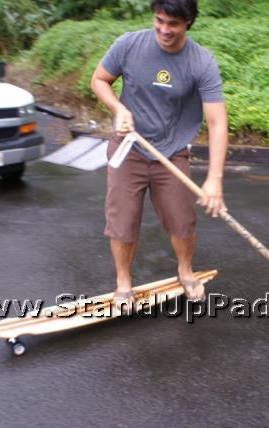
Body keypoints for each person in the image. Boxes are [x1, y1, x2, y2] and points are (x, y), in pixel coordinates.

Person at [91, 0, 228, 311]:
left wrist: (214, 180)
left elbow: (218, 123)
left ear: (188, 23)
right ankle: (123, 282)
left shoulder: (201, 62)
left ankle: (185, 270)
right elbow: (99, 80)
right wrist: (119, 108)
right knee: (122, 222)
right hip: (129, 149)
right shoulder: (128, 45)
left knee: (182, 222)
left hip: (172, 152)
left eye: (174, 24)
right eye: (160, 20)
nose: (165, 30)